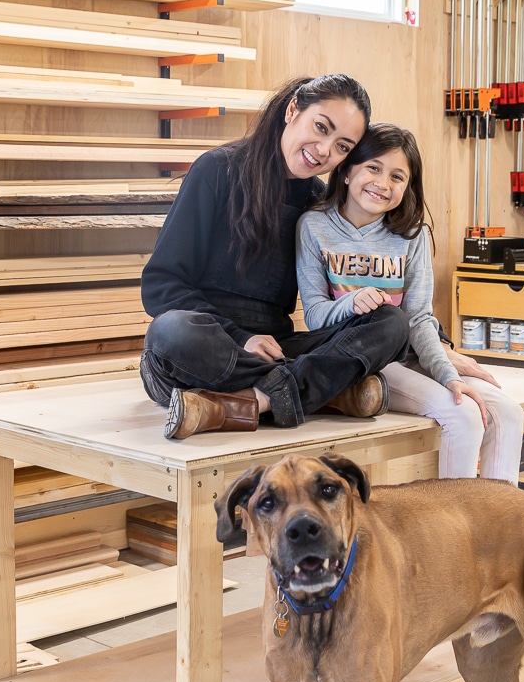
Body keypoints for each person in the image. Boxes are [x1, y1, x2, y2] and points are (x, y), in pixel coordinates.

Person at [140, 75, 411, 439]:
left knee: (390, 321)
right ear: (292, 109)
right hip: (210, 347)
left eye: (342, 146)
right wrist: (241, 338)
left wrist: (433, 344)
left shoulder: (317, 203)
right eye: (320, 127)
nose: (324, 149)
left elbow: (344, 304)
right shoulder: (216, 170)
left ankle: (240, 405)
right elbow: (160, 286)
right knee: (171, 331)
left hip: (277, 349)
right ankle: (318, 393)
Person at [296, 122, 524, 482]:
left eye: (397, 176)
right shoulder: (314, 226)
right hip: (361, 360)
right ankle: (454, 533)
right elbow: (315, 317)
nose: (383, 184)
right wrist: (352, 303)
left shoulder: (412, 234)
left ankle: (498, 528)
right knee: (462, 415)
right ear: (346, 171)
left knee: (508, 411)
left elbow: (418, 317)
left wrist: (448, 375)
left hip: (411, 354)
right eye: (373, 167)